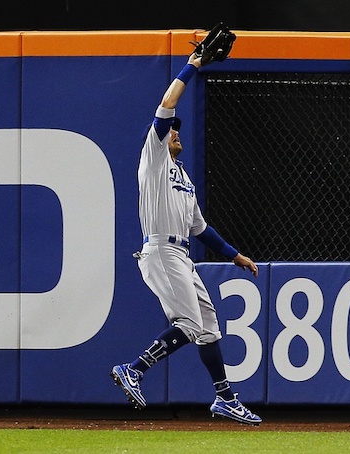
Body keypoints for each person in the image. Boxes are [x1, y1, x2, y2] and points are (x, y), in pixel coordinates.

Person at [110, 51, 262, 425]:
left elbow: (200, 229)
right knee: (190, 325)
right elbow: (167, 102)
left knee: (208, 326)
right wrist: (193, 65)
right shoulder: (155, 159)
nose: (175, 131)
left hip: (182, 254)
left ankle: (225, 399)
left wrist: (234, 255)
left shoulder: (184, 180)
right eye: (171, 128)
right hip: (161, 250)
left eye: (178, 128)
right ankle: (134, 369)